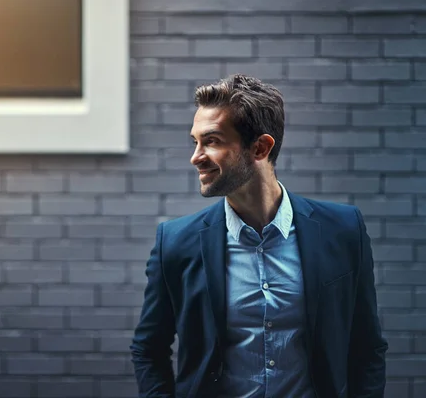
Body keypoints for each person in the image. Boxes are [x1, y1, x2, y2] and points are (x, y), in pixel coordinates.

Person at [130, 74, 388, 398]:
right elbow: (148, 349)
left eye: (211, 141)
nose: (195, 156)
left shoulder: (344, 230)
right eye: (195, 141)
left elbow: (367, 347)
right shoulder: (176, 242)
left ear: (260, 147)